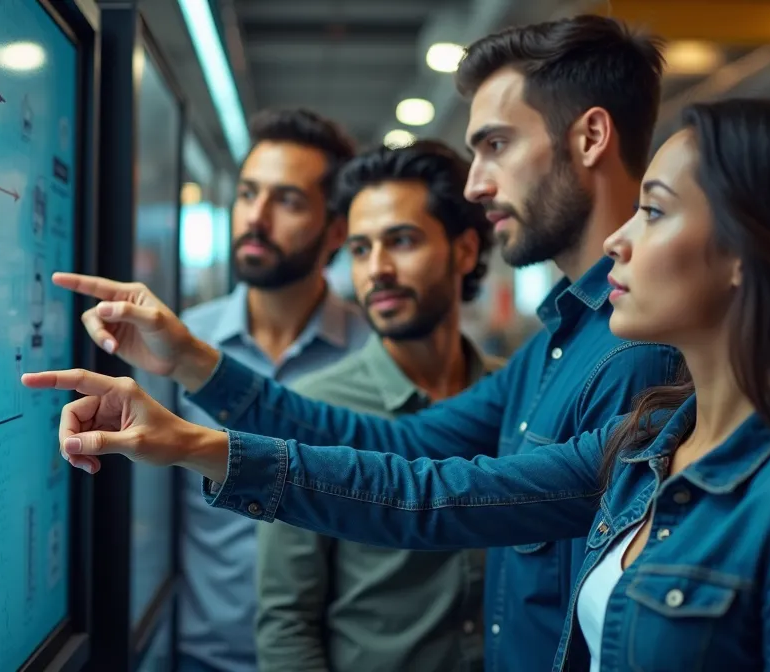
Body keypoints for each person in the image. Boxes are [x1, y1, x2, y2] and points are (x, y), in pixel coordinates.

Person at [25, 96, 770, 671]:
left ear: (755, 258)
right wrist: (189, 431)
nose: (622, 242)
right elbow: (424, 488)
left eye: (657, 211)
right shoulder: (647, 441)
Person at [53, 17, 681, 670]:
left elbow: (440, 498)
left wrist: (195, 444)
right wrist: (192, 362)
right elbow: (392, 442)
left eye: (496, 144)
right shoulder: (561, 340)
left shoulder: (640, 352)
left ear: (590, 136)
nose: (476, 184)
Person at [55, 108, 369, 672]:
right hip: (198, 656)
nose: (257, 217)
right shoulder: (173, 342)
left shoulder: (373, 356)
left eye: (288, 201)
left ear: (337, 230)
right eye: (248, 194)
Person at [255, 141, 502, 672]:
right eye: (362, 250)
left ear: (463, 251)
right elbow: (287, 622)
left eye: (403, 241)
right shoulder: (315, 411)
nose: (378, 270)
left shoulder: (520, 396)